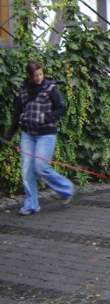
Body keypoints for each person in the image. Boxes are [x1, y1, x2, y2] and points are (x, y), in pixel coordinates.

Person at [3, 59, 74, 216]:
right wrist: (8, 135)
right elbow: (16, 116)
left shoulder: (51, 89)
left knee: (41, 167)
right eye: (36, 75)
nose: (39, 78)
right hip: (27, 134)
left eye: (41, 74)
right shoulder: (23, 92)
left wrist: (45, 118)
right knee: (27, 168)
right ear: (29, 76)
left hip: (46, 134)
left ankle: (66, 188)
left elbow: (61, 109)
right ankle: (31, 204)